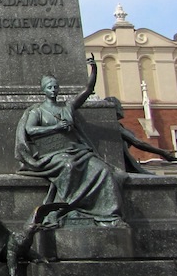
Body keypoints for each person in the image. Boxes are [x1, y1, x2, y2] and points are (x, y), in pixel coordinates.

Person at [15, 57, 126, 226]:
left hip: (76, 150)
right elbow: (30, 130)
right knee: (68, 166)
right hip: (51, 153)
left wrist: (94, 70)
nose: (53, 90)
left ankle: (109, 216)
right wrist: (57, 127)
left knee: (103, 170)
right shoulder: (37, 111)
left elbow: (88, 90)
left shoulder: (67, 107)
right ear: (43, 90)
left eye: (55, 87)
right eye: (50, 87)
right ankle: (64, 209)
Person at [105, 97, 177, 173]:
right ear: (113, 108)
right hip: (121, 165)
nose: (121, 108)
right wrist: (162, 152)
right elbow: (137, 142)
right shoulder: (114, 126)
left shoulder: (108, 125)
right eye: (119, 106)